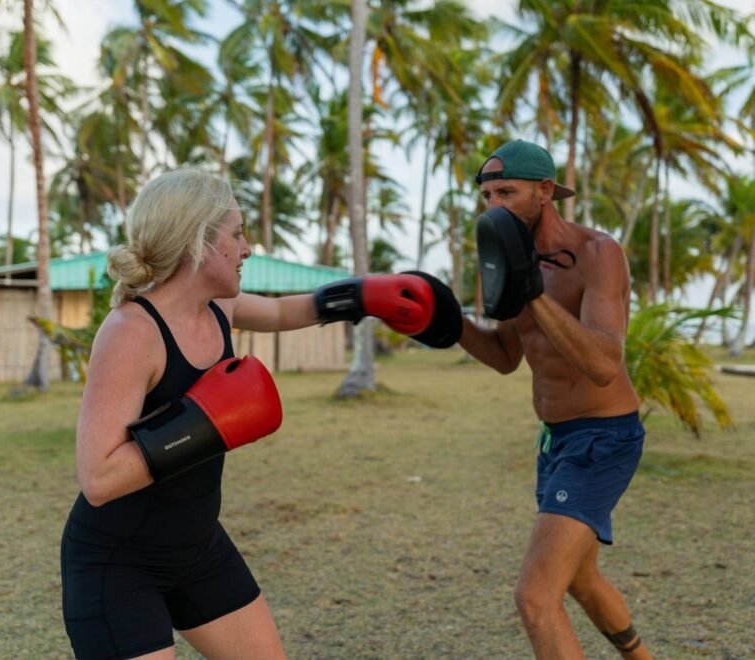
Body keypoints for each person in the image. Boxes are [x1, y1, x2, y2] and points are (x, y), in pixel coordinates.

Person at [60, 169, 461, 660]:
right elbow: (98, 477)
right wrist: (203, 424)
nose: (247, 247)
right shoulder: (131, 331)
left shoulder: (217, 309)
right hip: (117, 563)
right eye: (237, 233)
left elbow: (280, 313)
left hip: (197, 547)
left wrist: (360, 296)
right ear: (199, 242)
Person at [462, 139, 651, 659]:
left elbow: (603, 362)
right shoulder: (500, 259)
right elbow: (505, 354)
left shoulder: (597, 253)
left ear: (545, 192)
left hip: (603, 438)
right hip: (554, 440)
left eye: (506, 191)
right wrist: (445, 322)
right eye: (486, 195)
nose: (493, 205)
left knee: (535, 596)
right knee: (581, 578)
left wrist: (534, 293)